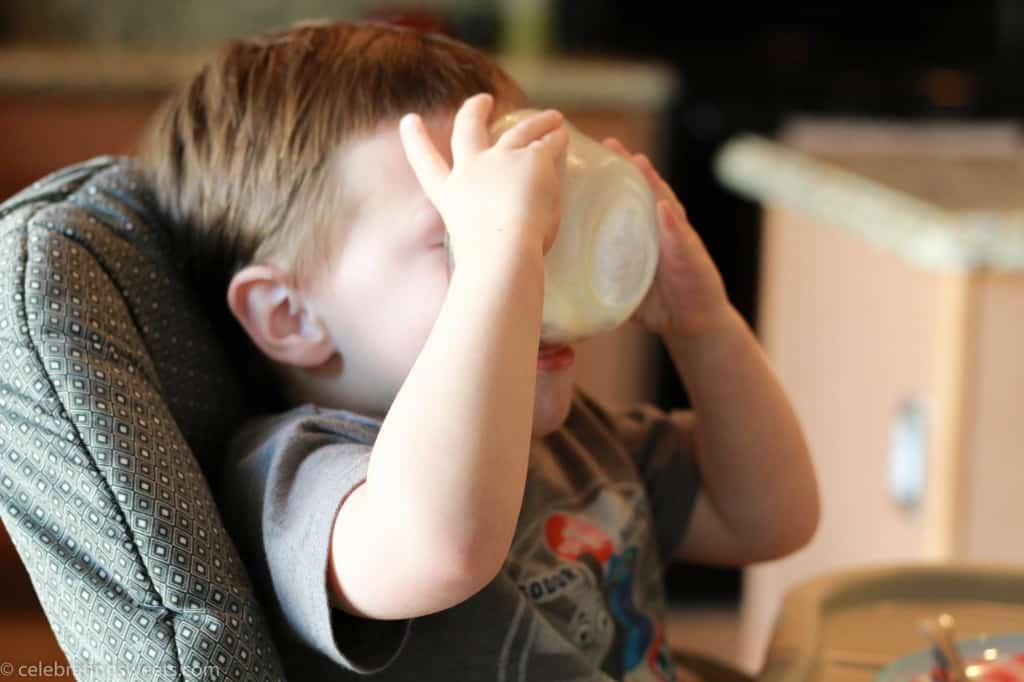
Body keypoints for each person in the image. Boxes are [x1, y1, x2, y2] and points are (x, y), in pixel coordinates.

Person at [140, 18, 819, 681]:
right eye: (463, 234)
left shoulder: (578, 440)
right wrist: (503, 250)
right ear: (289, 316)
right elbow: (444, 545)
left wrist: (704, 327)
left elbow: (766, 519)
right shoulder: (301, 477)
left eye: (542, 215)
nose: (536, 262)